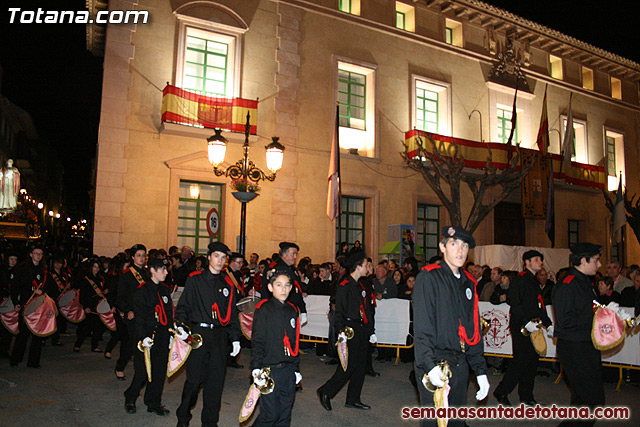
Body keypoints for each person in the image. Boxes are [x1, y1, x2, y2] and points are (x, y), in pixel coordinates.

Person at [413, 226, 489, 427]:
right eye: (454, 244)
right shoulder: (429, 278)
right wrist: (429, 366)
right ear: (442, 247)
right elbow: (422, 327)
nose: (460, 250)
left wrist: (480, 370)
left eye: (464, 245)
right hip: (435, 361)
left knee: (456, 422)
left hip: (460, 363)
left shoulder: (469, 283)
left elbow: (473, 330)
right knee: (434, 423)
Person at [175, 241, 241, 427]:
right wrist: (180, 325)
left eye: (223, 258)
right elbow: (184, 306)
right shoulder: (195, 279)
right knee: (194, 381)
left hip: (220, 337)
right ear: (209, 258)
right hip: (199, 335)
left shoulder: (228, 284)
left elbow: (232, 314)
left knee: (215, 383)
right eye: (216, 256)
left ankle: (210, 422)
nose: (220, 261)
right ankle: (183, 417)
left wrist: (235, 338)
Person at [552, 243, 605, 425]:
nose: (599, 265)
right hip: (574, 347)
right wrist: (596, 317)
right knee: (592, 402)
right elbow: (566, 320)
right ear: (584, 260)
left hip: (586, 344)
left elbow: (585, 310)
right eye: (596, 260)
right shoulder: (568, 285)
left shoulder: (584, 283)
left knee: (581, 404)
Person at [317, 251, 376, 411]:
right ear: (357, 267)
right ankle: (326, 391)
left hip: (362, 329)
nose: (368, 268)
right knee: (348, 365)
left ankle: (353, 398)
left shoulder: (361, 285)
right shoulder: (344, 286)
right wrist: (341, 332)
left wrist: (371, 330)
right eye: (365, 265)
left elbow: (367, 309)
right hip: (350, 329)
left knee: (361, 366)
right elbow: (339, 312)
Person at [493, 250, 552, 407]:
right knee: (520, 360)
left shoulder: (533, 280)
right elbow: (515, 302)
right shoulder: (521, 279)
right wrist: (526, 322)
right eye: (536, 259)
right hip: (521, 325)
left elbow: (538, 305)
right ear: (527, 262)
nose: (540, 262)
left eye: (541, 259)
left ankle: (526, 396)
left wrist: (548, 323)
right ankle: (502, 391)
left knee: (532, 362)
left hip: (533, 324)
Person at [250, 270, 301, 426]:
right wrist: (256, 366)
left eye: (287, 285)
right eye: (279, 285)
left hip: (288, 369)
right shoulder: (264, 309)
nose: (283, 289)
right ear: (271, 288)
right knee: (270, 415)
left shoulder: (292, 310)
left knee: (284, 415)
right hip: (270, 369)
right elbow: (258, 339)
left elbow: (294, 342)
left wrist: (296, 368)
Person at [124, 257, 173, 416]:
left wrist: (171, 332)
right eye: (162, 269)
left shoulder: (165, 289)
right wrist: (143, 337)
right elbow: (140, 318)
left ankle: (153, 402)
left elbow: (168, 313)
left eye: (166, 269)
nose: (165, 272)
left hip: (162, 335)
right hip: (146, 335)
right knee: (143, 372)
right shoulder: (142, 291)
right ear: (152, 270)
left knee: (159, 371)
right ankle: (130, 396)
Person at [10, 243, 47, 368]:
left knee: (37, 333)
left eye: (40, 253)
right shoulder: (22, 268)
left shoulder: (42, 271)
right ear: (31, 254)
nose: (38, 255)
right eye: (36, 253)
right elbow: (15, 287)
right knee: (23, 334)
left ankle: (33, 361)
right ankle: (15, 359)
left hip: (38, 306)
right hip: (26, 304)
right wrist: (16, 303)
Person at [116, 244, 149, 380]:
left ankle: (142, 371)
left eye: (143, 255)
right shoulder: (127, 274)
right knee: (132, 343)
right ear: (133, 257)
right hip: (132, 314)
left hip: (145, 314)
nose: (141, 258)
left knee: (144, 342)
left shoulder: (147, 273)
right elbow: (121, 297)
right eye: (138, 255)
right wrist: (127, 310)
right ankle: (120, 366)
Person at [74, 258, 108, 352]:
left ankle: (94, 345)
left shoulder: (100, 279)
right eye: (94, 267)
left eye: (98, 267)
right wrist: (86, 306)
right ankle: (78, 344)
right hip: (90, 304)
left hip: (98, 305)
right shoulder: (86, 279)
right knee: (88, 326)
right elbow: (83, 295)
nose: (96, 269)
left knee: (96, 326)